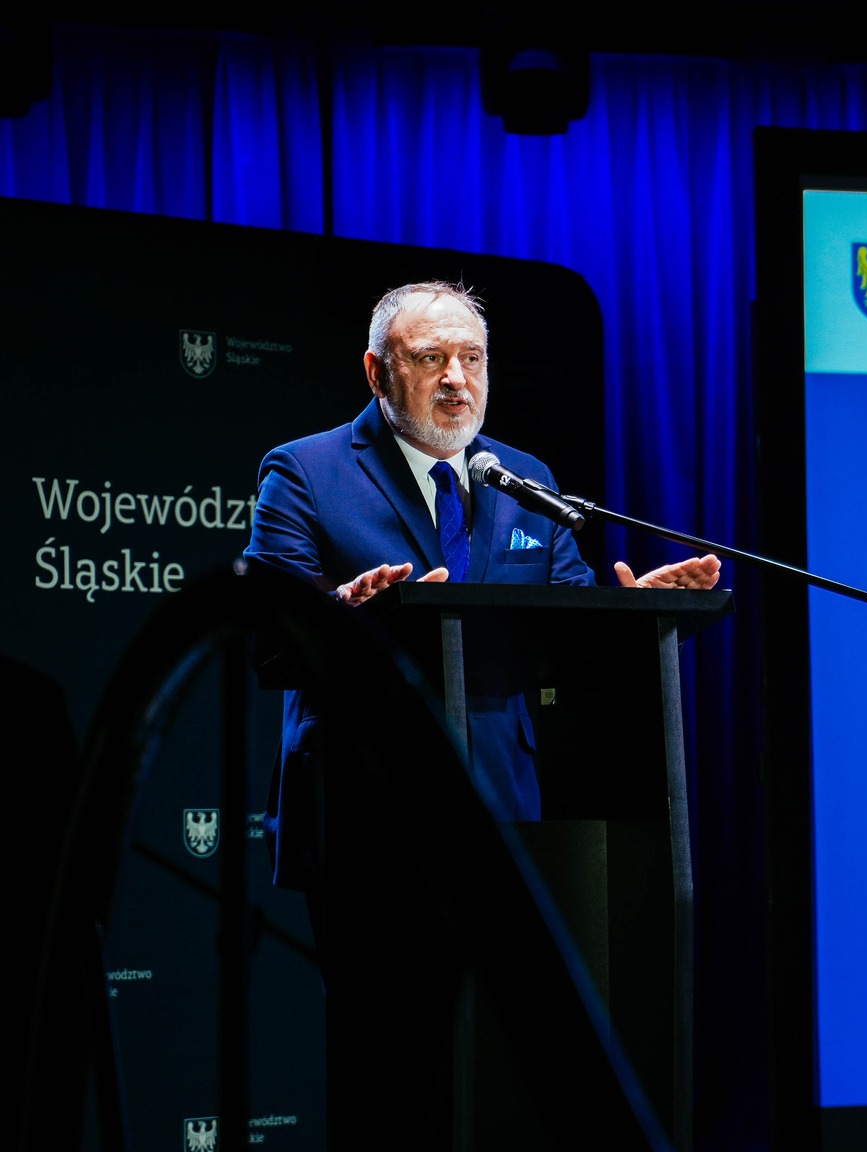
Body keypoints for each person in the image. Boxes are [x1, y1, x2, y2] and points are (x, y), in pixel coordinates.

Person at [243, 282, 717, 1142]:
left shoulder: (524, 480)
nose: (456, 378)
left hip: (511, 817)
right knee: (394, 1077)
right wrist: (338, 615)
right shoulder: (306, 471)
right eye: (431, 359)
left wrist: (637, 613)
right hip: (366, 816)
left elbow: (569, 636)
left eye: (472, 358)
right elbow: (266, 644)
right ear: (377, 372)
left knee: (502, 1074)